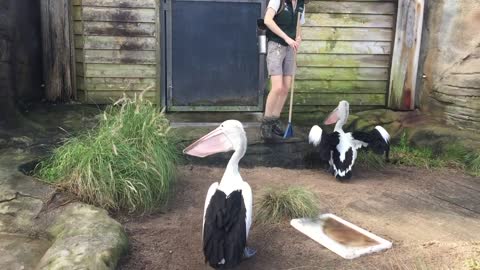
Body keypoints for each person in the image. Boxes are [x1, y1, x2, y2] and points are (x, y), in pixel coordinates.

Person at [261, 0, 305, 140]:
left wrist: (298, 38)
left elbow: (299, 25)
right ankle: (266, 123)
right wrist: (286, 38)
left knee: (286, 87)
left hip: (291, 48)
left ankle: (275, 121)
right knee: (277, 87)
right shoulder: (277, 1)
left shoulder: (301, 4)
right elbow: (268, 20)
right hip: (276, 46)